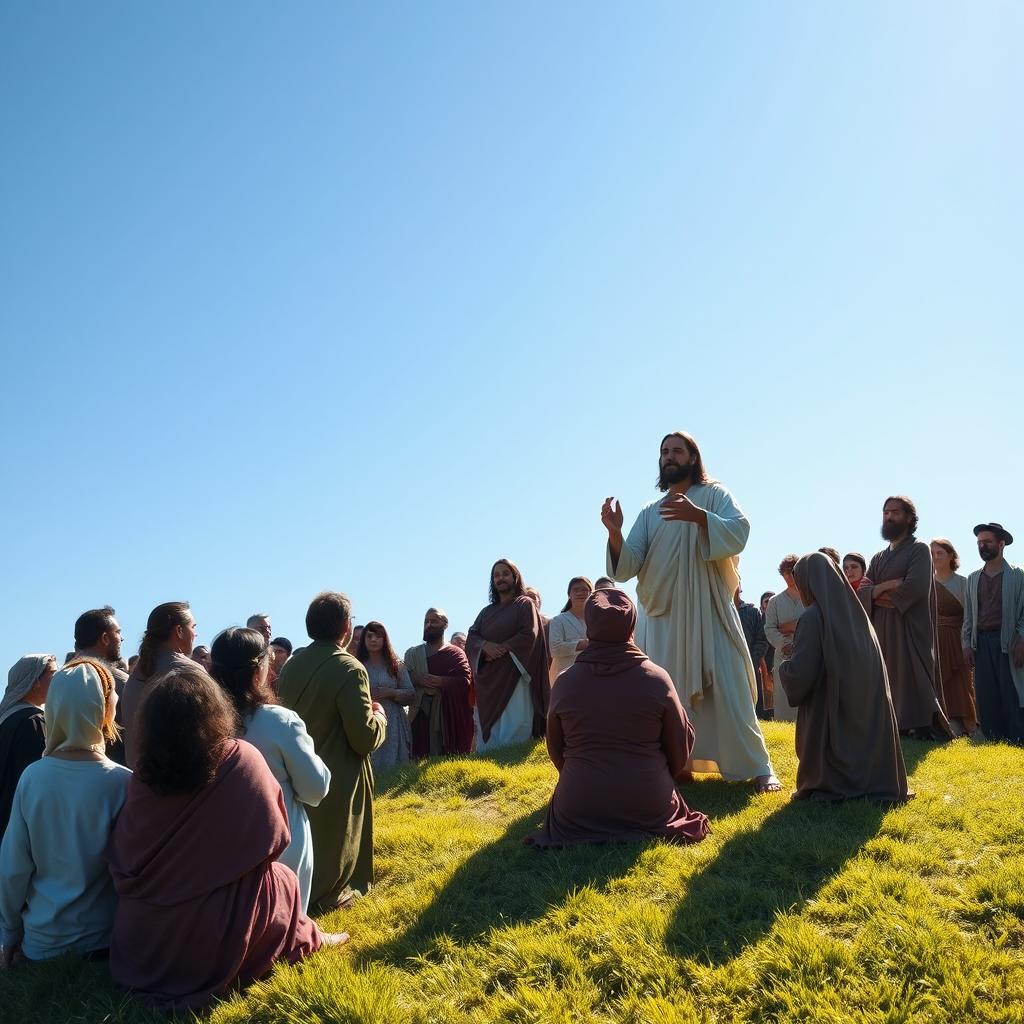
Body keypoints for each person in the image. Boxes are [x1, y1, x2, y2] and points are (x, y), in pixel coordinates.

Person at [107, 668, 338, 1010]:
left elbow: (127, 847)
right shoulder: (238, 757)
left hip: (147, 939)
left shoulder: (143, 775)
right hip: (216, 936)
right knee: (284, 880)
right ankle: (304, 935)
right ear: (215, 711)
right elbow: (275, 838)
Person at [601, 432, 779, 792]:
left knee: (728, 687)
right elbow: (626, 567)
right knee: (669, 695)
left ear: (693, 457)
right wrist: (616, 533)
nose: (669, 457)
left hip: (708, 608)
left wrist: (700, 517)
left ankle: (759, 767)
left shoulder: (714, 494)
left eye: (677, 451)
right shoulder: (651, 511)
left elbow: (740, 530)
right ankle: (678, 764)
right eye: (664, 452)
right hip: (663, 617)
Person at [527, 589, 709, 847]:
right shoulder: (657, 678)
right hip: (648, 801)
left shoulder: (565, 681)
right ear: (632, 623)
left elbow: (556, 749)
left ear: (588, 624)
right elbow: (680, 745)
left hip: (578, 807)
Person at [1, 659, 129, 965]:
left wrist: (9, 933)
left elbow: (13, 869)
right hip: (107, 940)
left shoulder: (33, 778)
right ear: (104, 711)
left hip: (42, 945)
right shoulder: (124, 782)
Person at [209, 627, 331, 912]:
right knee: (283, 929)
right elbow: (315, 789)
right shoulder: (279, 721)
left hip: (219, 841)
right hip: (280, 841)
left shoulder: (199, 724)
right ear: (259, 669)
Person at [278, 592, 386, 911]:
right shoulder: (349, 668)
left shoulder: (292, 665)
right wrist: (379, 718)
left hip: (298, 772)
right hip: (338, 775)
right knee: (336, 845)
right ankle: (332, 896)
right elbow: (363, 737)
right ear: (345, 626)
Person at [778, 553, 911, 803]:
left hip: (831, 713)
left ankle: (831, 781)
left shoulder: (812, 617)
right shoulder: (858, 616)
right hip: (866, 712)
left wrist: (784, 669)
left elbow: (802, 674)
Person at [860, 497, 950, 738]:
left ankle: (919, 724)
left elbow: (915, 588)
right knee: (885, 674)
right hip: (881, 626)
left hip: (909, 625)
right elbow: (861, 592)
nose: (889, 517)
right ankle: (893, 722)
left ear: (909, 518)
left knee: (911, 672)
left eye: (895, 512)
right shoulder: (878, 557)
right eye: (885, 512)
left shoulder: (919, 550)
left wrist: (876, 593)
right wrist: (884, 587)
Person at [466, 559, 550, 752]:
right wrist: (485, 646)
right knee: (491, 733)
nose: (500, 578)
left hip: (514, 671)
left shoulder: (524, 604)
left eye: (505, 573)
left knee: (515, 721)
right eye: (496, 575)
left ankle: (514, 755)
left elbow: (529, 633)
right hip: (489, 678)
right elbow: (472, 637)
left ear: (515, 577)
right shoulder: (486, 612)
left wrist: (502, 648)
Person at [961, 524, 1024, 744]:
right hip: (982, 643)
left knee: (1012, 692)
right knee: (986, 694)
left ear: (1001, 543)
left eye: (987, 541)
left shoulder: (1018, 575)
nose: (982, 546)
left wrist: (1022, 639)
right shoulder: (972, 578)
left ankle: (1017, 739)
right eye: (979, 542)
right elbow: (968, 617)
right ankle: (992, 739)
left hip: (1009, 641)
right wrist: (966, 644)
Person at [121, 601, 199, 769]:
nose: (196, 634)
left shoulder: (136, 675)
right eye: (193, 627)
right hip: (183, 782)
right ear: (179, 631)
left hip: (140, 781)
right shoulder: (190, 671)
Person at [405, 608, 474, 758]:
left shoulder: (456, 653)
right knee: (419, 757)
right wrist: (417, 680)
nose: (429, 624)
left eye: (434, 621)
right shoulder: (413, 654)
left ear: (445, 624)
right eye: (426, 621)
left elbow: (464, 682)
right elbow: (404, 680)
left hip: (447, 716)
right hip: (420, 713)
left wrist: (442, 682)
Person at [0, 655, 57, 837]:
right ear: (35, 681)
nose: (57, 680)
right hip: (19, 827)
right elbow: (35, 784)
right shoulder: (32, 721)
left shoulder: (7, 717)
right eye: (53, 674)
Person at [930, 538, 978, 736]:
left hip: (958, 640)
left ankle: (970, 724)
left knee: (961, 681)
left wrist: (969, 642)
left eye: (939, 552)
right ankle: (947, 724)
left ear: (951, 555)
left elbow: (970, 616)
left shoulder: (962, 582)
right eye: (931, 553)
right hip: (933, 641)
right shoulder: (926, 583)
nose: (934, 557)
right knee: (939, 682)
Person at [73, 606, 129, 764]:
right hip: (114, 776)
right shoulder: (121, 683)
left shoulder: (57, 681)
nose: (121, 638)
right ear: (105, 638)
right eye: (117, 632)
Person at [356, 621, 415, 772]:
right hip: (366, 721)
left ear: (385, 639)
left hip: (394, 723)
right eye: (369, 636)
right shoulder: (357, 666)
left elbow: (410, 694)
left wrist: (391, 693)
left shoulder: (396, 665)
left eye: (378, 636)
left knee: (395, 769)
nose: (373, 640)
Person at [763, 556, 806, 723]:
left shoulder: (811, 597)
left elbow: (816, 623)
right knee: (783, 697)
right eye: (784, 573)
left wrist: (793, 626)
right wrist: (785, 643)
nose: (788, 577)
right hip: (783, 655)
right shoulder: (774, 602)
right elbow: (770, 628)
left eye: (792, 572)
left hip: (808, 652)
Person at [547, 577, 593, 684]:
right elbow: (555, 648)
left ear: (591, 593)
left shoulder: (597, 620)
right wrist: (585, 644)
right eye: (575, 590)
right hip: (566, 680)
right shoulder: (558, 620)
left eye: (584, 589)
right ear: (569, 595)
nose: (580, 593)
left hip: (592, 678)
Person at [735, 586, 770, 720]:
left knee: (752, 709)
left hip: (750, 667)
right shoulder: (718, 611)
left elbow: (761, 640)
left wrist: (750, 661)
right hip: (726, 667)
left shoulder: (752, 612)